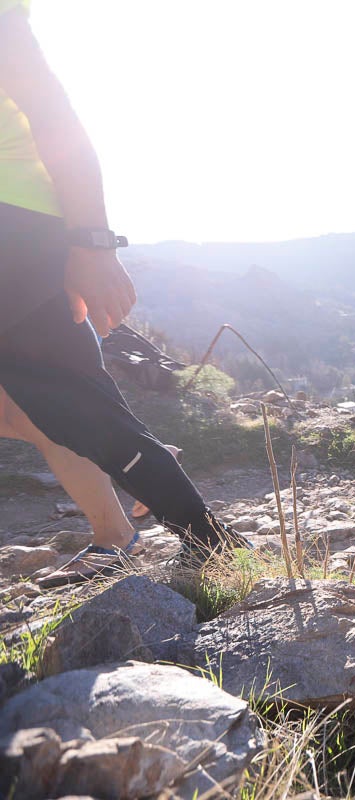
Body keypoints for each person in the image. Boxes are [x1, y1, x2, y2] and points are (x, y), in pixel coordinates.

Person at [0, 0, 246, 584]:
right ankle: (139, 472)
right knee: (26, 406)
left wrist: (90, 241)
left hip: (15, 226)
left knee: (66, 397)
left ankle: (205, 539)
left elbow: (52, 112)